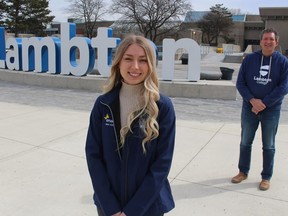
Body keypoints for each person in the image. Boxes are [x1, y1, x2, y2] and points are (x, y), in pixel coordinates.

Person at [85, 35, 176, 216]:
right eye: (128, 59)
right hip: (109, 206)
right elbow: (93, 156)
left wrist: (133, 211)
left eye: (143, 60)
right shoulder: (103, 104)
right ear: (118, 63)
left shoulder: (162, 107)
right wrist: (110, 206)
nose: (135, 66)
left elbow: (162, 165)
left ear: (150, 65)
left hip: (147, 207)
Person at [231, 28, 288, 190]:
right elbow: (240, 83)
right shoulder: (249, 60)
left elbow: (284, 87)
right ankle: (243, 171)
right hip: (249, 108)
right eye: (265, 39)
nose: (268, 42)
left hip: (271, 110)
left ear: (276, 42)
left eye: (271, 39)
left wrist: (264, 104)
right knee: (245, 142)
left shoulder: (283, 62)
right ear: (260, 41)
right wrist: (252, 101)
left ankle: (266, 177)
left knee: (269, 145)